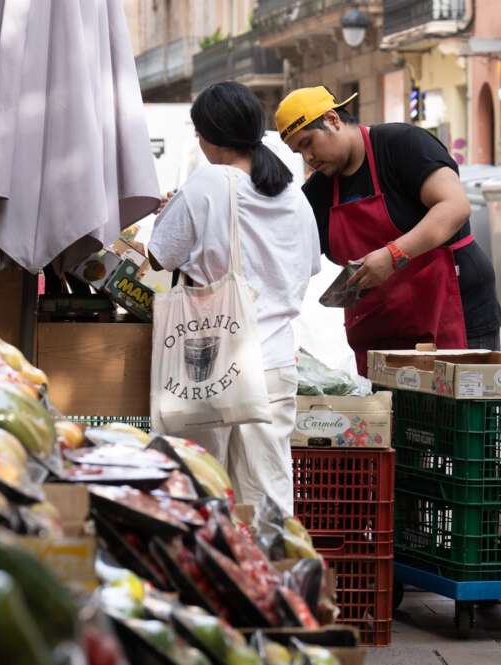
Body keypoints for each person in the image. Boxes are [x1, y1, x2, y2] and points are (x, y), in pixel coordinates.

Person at [148, 82, 320, 515]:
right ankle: (276, 576)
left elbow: (159, 254)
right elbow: (309, 267)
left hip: (213, 360)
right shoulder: (292, 193)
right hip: (276, 365)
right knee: (268, 497)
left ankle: (212, 579)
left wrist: (175, 213)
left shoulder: (207, 182)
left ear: (210, 135)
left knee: (204, 492)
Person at [276, 86, 501, 375]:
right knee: (391, 418)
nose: (308, 157)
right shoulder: (319, 192)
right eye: (299, 151)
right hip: (382, 323)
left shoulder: (402, 145)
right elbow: (291, 254)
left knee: (460, 412)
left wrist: (393, 255)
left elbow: (454, 206)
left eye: (309, 142)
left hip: (453, 308)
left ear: (333, 120)